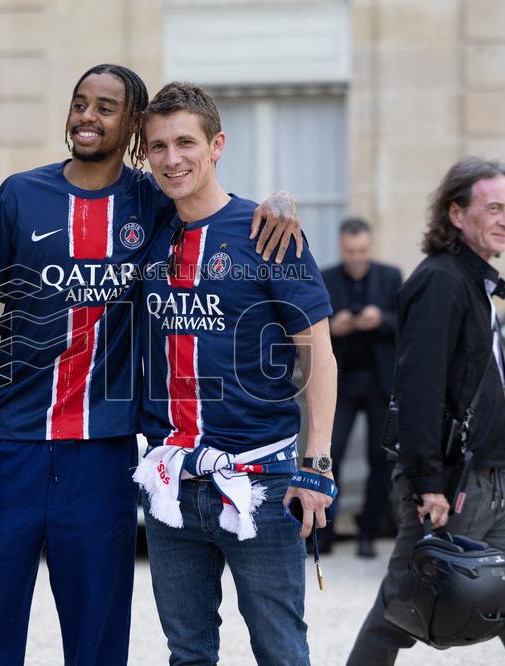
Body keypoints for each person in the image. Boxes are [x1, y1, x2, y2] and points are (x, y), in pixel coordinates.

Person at [0, 64, 303, 666]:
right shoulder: (18, 195)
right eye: (79, 102)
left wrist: (282, 202)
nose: (87, 116)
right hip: (10, 445)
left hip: (105, 453)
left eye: (106, 107)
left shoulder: (154, 199)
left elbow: (215, 201)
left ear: (133, 124)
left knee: (97, 638)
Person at [132, 82, 337, 665]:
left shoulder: (269, 231)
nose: (173, 159)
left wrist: (316, 466)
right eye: (159, 146)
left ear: (216, 144)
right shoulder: (147, 226)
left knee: (280, 650)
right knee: (188, 653)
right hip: (171, 481)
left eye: (186, 143)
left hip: (263, 482)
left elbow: (318, 354)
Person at [346, 157, 505, 665]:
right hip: (452, 485)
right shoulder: (440, 281)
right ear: (456, 214)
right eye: (493, 208)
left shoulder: (477, 281)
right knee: (401, 608)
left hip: (492, 484)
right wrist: (428, 483)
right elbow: (418, 388)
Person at [320, 217, 402, 557]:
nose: (357, 257)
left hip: (380, 382)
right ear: (342, 247)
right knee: (330, 454)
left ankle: (368, 532)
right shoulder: (326, 278)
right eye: (351, 251)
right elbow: (310, 323)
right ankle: (326, 531)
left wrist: (380, 319)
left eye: (363, 251)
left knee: (379, 459)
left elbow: (407, 322)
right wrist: (332, 327)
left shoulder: (390, 276)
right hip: (340, 382)